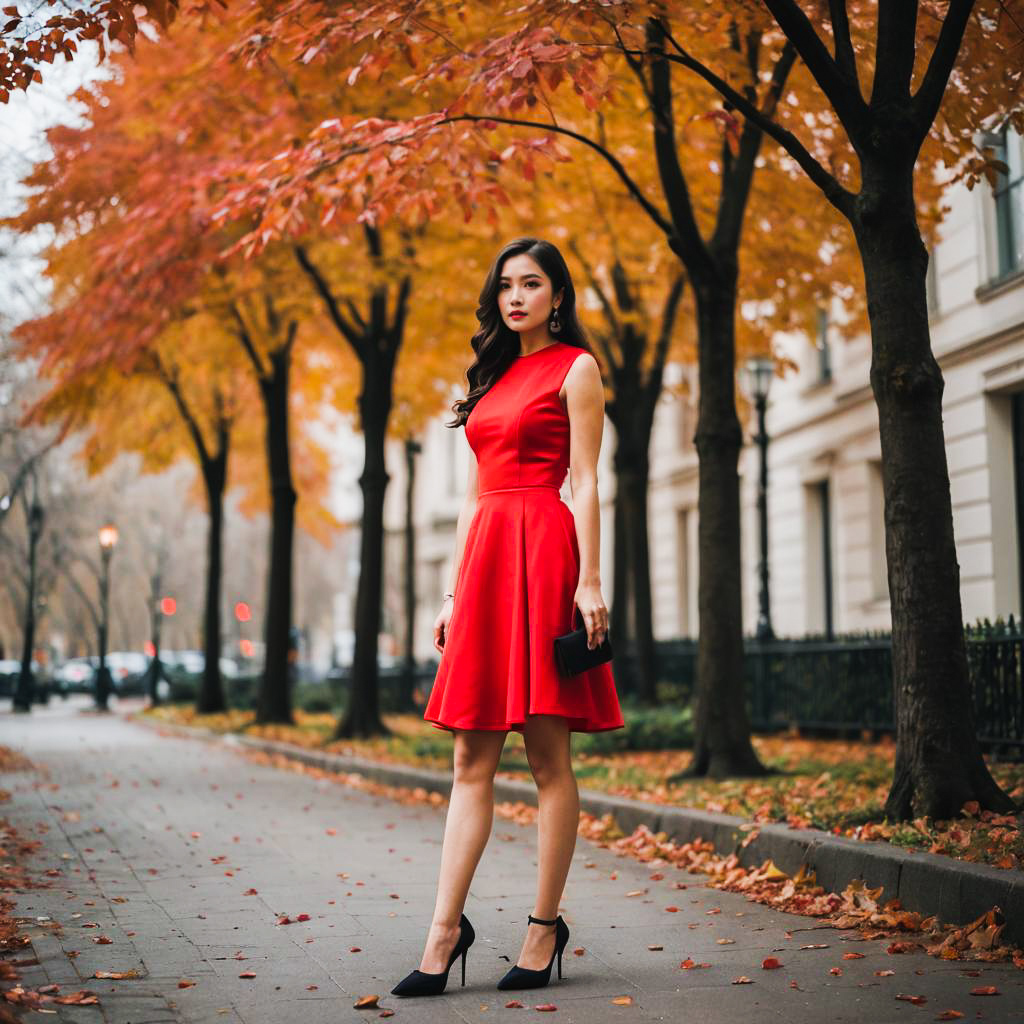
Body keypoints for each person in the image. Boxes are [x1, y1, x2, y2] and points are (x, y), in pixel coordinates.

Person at [391, 237, 625, 999]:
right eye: (505, 286)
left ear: (558, 295)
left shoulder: (577, 367)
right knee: (469, 761)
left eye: (532, 284)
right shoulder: (488, 377)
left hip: (545, 554)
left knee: (549, 759)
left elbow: (586, 480)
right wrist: (455, 595)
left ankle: (542, 925)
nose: (515, 297)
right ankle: (443, 932)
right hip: (488, 565)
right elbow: (470, 495)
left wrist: (590, 581)